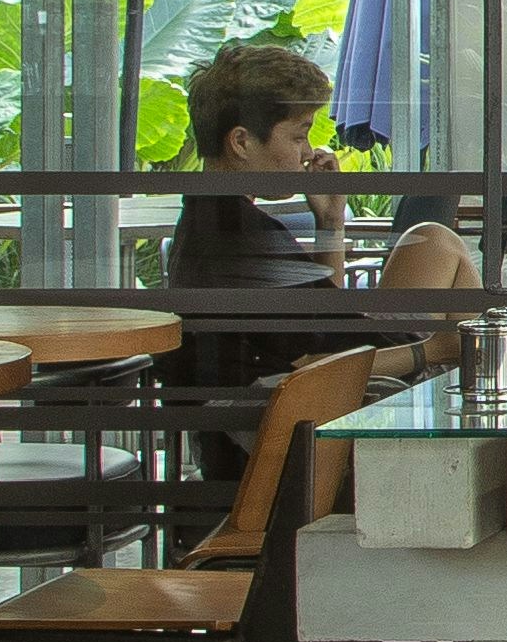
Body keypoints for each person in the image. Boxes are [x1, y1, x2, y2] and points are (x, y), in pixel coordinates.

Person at [169, 44, 476, 485]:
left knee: (433, 241)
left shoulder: (213, 220)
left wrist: (330, 221)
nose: (306, 151)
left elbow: (318, 322)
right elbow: (316, 359)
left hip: (288, 405)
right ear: (241, 142)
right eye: (297, 136)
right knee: (442, 257)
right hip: (280, 438)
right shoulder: (241, 238)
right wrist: (433, 349)